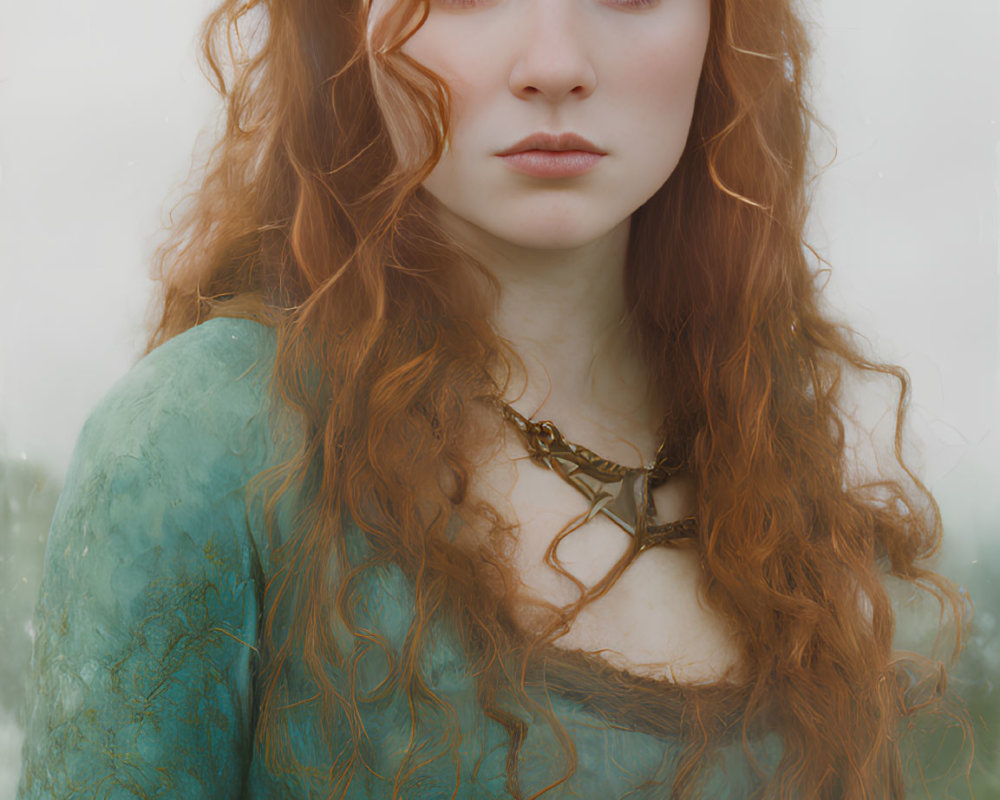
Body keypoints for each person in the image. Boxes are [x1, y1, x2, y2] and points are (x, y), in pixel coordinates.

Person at [15, 0, 973, 797]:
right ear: (345, 26)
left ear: (725, 27)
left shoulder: (777, 476)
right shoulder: (202, 449)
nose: (553, 65)